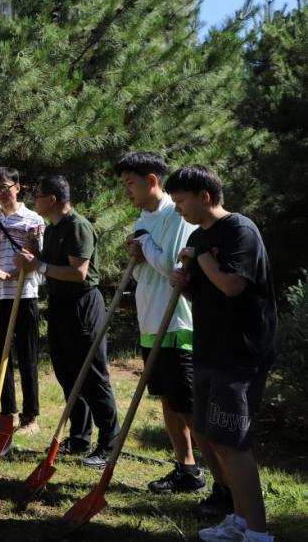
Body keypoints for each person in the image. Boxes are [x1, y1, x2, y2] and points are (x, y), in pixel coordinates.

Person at [166, 165, 277, 542]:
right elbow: (206, 292)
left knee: (232, 440)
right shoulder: (199, 236)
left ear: (205, 196)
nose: (178, 208)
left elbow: (231, 285)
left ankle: (258, 533)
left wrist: (201, 258)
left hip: (240, 352)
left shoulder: (239, 230)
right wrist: (184, 285)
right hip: (209, 348)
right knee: (209, 433)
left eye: (181, 201)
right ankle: (240, 520)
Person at [15, 175, 119, 468]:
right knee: (67, 373)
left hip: (82, 304)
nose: (34, 200)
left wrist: (39, 265)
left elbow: (78, 273)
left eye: (38, 195)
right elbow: (50, 266)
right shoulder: (52, 228)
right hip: (59, 304)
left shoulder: (77, 226)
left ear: (52, 199)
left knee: (92, 375)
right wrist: (36, 253)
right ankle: (79, 438)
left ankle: (110, 443)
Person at [115, 152, 204, 494]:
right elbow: (144, 271)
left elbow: (172, 268)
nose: (127, 191)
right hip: (150, 320)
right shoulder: (143, 218)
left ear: (152, 180)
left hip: (177, 321)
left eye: (130, 183)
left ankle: (223, 479)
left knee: (188, 404)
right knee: (166, 398)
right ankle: (187, 468)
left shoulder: (176, 215)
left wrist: (145, 243)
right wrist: (137, 255)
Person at [0, 167, 44, 435]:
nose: (1, 193)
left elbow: (37, 260)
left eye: (5, 187)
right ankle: (8, 413)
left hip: (24, 293)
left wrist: (9, 274)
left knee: (27, 356)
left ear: (17, 187)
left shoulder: (33, 219)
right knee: (0, 356)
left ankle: (31, 416)